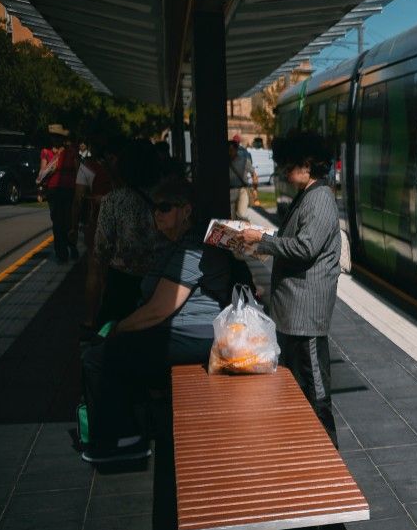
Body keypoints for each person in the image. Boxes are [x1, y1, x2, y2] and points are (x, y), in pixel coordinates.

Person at [82, 177, 242, 463]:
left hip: (196, 335)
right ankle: (135, 427)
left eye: (165, 207)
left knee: (99, 358)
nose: (157, 213)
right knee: (115, 353)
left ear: (186, 211)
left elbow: (160, 309)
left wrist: (118, 328)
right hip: (181, 332)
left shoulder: (193, 249)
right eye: (154, 208)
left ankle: (123, 439)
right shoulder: (174, 246)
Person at [235, 130, 342, 444]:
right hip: (293, 312)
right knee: (300, 387)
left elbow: (306, 248)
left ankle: (328, 452)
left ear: (307, 164)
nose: (282, 170)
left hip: (306, 315)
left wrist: (263, 241)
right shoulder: (308, 194)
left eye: (287, 164)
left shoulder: (319, 197)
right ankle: (309, 449)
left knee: (315, 389)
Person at [85, 139, 169, 334]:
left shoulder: (113, 201)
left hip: (122, 286)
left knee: (108, 334)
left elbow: (101, 250)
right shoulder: (168, 198)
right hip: (163, 283)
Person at [38, 136, 80, 262]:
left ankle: (71, 246)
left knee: (68, 221)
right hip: (54, 190)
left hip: (68, 190)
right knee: (57, 222)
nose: (55, 140)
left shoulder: (71, 152)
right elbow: (42, 172)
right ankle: (61, 253)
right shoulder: (46, 152)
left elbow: (77, 172)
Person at [228, 137, 258, 222]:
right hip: (230, 191)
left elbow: (254, 174)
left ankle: (247, 231)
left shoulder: (244, 161)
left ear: (236, 149)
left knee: (241, 214)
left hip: (242, 190)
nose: (229, 152)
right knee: (231, 218)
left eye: (231, 150)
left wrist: (255, 189)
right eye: (228, 150)